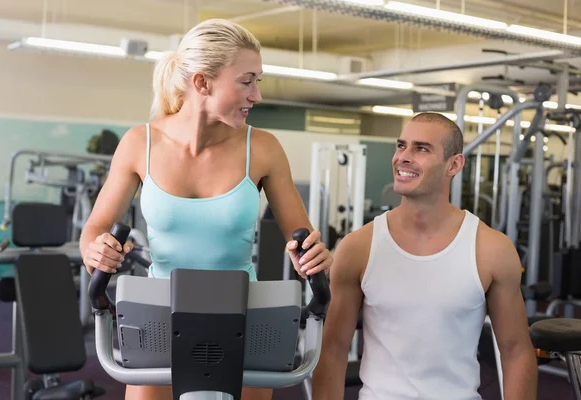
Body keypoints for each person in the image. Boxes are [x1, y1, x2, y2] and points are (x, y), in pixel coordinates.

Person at [79, 18, 332, 400]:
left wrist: (311, 256)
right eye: (247, 81)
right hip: (159, 312)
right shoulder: (139, 143)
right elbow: (94, 228)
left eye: (257, 81)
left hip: (244, 315)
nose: (257, 96)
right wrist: (94, 249)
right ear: (202, 83)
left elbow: (303, 238)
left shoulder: (262, 148)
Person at [311, 112, 537, 399]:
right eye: (401, 145)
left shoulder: (492, 250)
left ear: (453, 164)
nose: (403, 157)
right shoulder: (358, 247)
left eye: (421, 148)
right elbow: (332, 350)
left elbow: (516, 351)